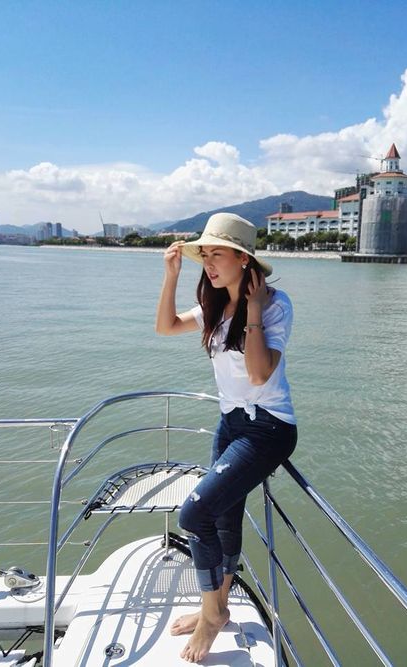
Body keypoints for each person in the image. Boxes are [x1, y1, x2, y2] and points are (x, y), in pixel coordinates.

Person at [155, 212, 297, 663]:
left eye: (217, 254)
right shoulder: (214, 305)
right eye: (205, 255)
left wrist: (252, 309)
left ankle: (212, 614)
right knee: (222, 519)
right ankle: (214, 607)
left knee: (194, 514)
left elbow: (258, 374)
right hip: (230, 423)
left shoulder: (275, 305)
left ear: (243, 259)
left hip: (268, 428)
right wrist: (172, 275)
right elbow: (165, 326)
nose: (209, 263)